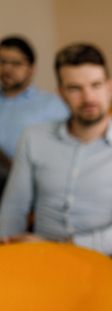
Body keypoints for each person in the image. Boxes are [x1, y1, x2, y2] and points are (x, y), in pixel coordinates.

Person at [0, 43, 112, 257]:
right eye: (75, 88)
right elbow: (14, 208)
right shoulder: (34, 138)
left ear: (110, 88)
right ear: (61, 94)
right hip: (39, 258)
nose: (88, 98)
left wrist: (60, 247)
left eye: (96, 85)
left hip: (101, 259)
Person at [0, 36, 69, 193]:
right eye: (2, 62)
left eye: (16, 63)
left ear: (31, 69)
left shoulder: (52, 104)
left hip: (26, 180)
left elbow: (68, 151)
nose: (7, 69)